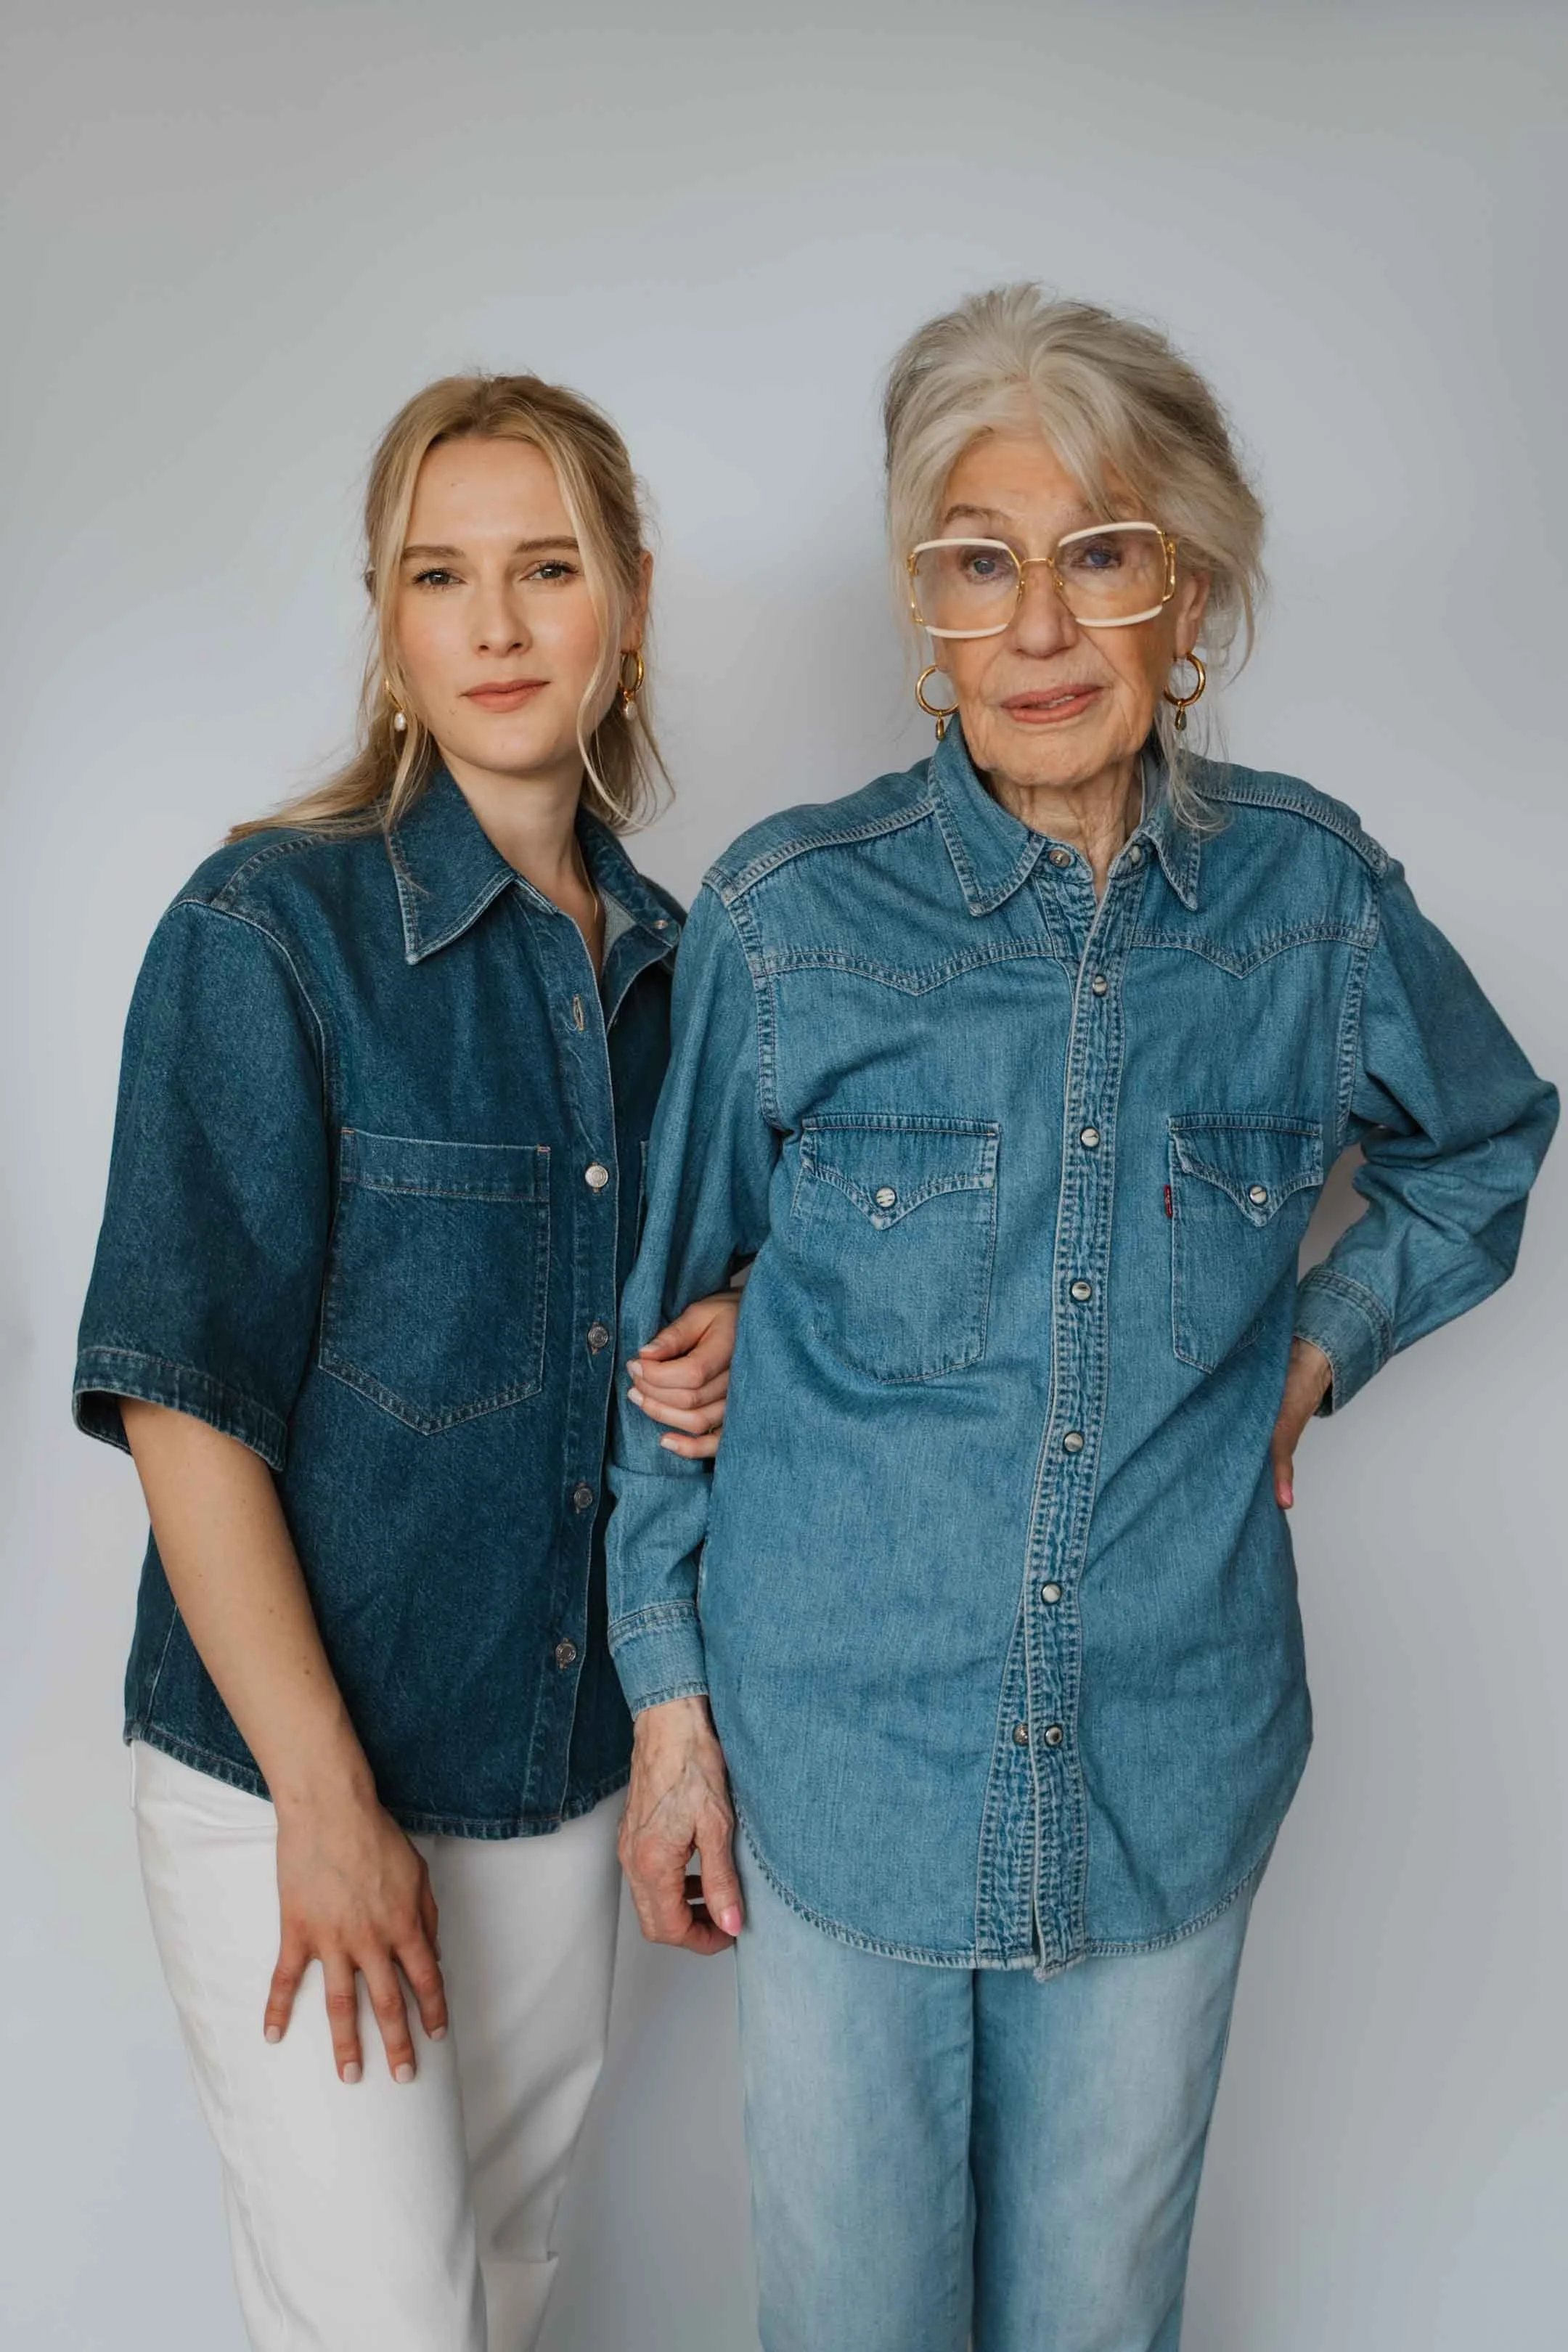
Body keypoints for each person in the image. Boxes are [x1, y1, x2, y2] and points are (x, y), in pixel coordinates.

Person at [607, 287, 1558, 2352]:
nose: (1041, 623)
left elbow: (1482, 1141)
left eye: (1100, 552)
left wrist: (1320, 1343)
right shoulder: (790, 920)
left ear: (1187, 595)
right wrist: (671, 1719)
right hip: (837, 1765)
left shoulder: (1307, 905)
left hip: (1168, 1759)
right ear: (921, 610)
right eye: (980, 559)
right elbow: (659, 1341)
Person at [73, 373, 738, 2352]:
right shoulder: (266, 931)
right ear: (388, 616)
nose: (501, 624)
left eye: (547, 567)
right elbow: (187, 1401)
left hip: (548, 1772)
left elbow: (743, 1335)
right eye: (442, 576)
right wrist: (323, 1799)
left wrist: (736, 1343)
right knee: (387, 2326)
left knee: (502, 2292)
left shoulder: (682, 974)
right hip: (294, 1774)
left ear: (629, 592)